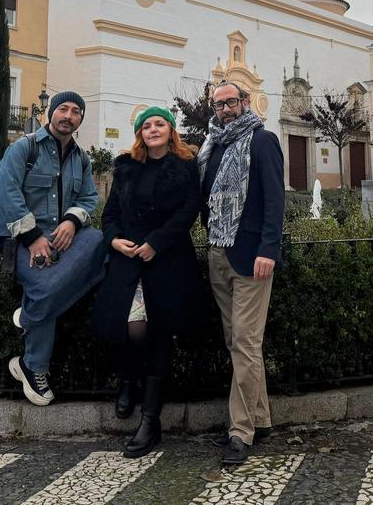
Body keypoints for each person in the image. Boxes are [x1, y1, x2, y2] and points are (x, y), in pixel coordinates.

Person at [92, 107, 204, 458]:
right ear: (140, 133)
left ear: (171, 131)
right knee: (131, 327)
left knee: (158, 332)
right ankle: (128, 377)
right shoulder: (126, 167)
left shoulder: (186, 167)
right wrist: (113, 239)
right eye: (147, 125)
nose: (153, 129)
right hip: (129, 261)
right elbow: (110, 214)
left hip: (167, 259)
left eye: (160, 124)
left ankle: (150, 420)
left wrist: (157, 242)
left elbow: (190, 211)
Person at [0, 90, 105, 407]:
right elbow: (7, 192)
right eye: (63, 109)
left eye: (76, 111)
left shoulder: (81, 158)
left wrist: (71, 222)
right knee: (42, 284)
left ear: (80, 119)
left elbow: (89, 199)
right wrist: (33, 237)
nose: (68, 115)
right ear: (50, 113)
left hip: (60, 235)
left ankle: (29, 315)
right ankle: (33, 367)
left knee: (98, 242)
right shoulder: (23, 148)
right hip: (18, 237)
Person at [199, 82, 285, 466]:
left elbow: (274, 197)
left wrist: (269, 248)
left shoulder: (262, 140)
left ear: (244, 103)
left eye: (231, 102)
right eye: (218, 104)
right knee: (238, 341)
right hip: (218, 251)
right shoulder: (212, 145)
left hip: (250, 256)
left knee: (246, 342)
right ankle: (261, 419)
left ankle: (241, 431)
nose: (224, 109)